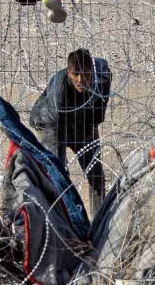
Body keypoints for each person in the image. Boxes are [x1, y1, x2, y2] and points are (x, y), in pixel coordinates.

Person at [28, 48, 111, 215]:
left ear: (92, 71)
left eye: (86, 74)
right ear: (68, 73)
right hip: (51, 125)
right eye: (76, 75)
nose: (81, 80)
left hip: (81, 121)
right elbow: (58, 123)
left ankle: (98, 222)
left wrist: (90, 122)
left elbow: (98, 115)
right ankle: (64, 221)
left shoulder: (102, 75)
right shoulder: (59, 94)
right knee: (58, 177)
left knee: (96, 175)